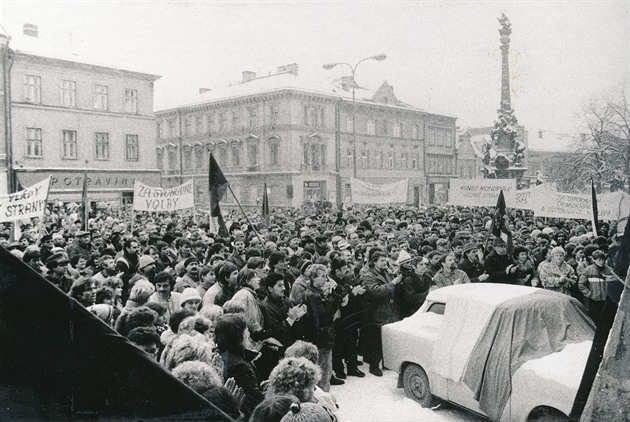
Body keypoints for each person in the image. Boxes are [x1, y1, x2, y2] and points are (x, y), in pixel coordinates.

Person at [214, 313, 264, 420]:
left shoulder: (218, 354)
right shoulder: (242, 367)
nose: (249, 335)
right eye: (246, 331)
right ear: (238, 336)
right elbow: (255, 403)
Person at [302, 264, 344, 391]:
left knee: (326, 369)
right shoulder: (312, 295)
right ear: (313, 278)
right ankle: (323, 398)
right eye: (323, 276)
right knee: (323, 371)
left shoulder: (316, 293)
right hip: (320, 339)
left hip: (325, 337)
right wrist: (334, 298)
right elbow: (324, 316)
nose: (326, 279)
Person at [361, 251, 401, 377]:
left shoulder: (387, 272)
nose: (385, 263)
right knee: (376, 341)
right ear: (374, 262)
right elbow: (376, 292)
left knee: (387, 338)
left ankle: (386, 362)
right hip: (378, 311)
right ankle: (374, 366)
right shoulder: (369, 276)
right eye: (382, 261)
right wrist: (393, 283)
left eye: (385, 260)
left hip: (390, 309)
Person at [578, 250, 615, 323]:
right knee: (595, 319)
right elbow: (581, 284)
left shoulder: (609, 270)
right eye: (599, 260)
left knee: (607, 320)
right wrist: (589, 294)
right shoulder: (588, 270)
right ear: (593, 260)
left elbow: (615, 285)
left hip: (606, 300)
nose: (601, 262)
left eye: (603, 260)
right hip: (594, 301)